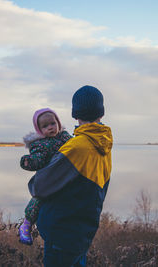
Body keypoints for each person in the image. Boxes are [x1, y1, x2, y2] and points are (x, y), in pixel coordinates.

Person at [28, 85, 113, 266]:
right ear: (101, 113)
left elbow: (39, 186)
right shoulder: (104, 144)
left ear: (75, 114)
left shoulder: (76, 147)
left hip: (62, 234)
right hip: (82, 232)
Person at [18, 108, 73, 245]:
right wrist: (28, 162)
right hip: (47, 179)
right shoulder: (40, 144)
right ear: (39, 130)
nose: (50, 128)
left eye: (53, 123)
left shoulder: (65, 137)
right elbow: (37, 159)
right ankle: (27, 224)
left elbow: (75, 146)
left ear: (58, 123)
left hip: (63, 176)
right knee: (38, 199)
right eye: (45, 126)